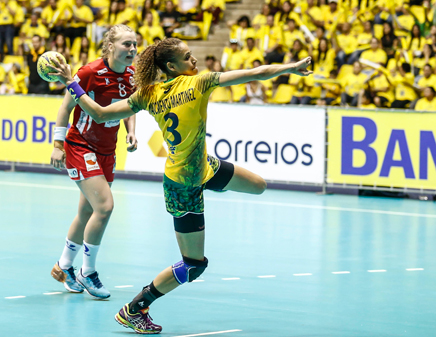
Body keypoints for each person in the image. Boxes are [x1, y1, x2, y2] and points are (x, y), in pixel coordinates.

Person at [49, 37, 312, 334]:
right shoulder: (197, 84)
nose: (194, 60)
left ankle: (207, 189)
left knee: (259, 185)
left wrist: (72, 84)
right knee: (194, 265)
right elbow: (255, 73)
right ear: (171, 66)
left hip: (205, 168)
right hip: (182, 187)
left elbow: (100, 112)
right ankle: (135, 309)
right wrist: (292, 68)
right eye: (188, 57)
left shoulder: (150, 93)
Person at [49, 24, 138, 299]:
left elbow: (130, 106)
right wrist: (56, 145)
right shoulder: (88, 72)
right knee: (105, 206)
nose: (132, 50)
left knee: (87, 212)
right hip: (80, 145)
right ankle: (88, 272)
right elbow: (66, 107)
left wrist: (131, 131)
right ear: (110, 47)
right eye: (126, 44)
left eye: (134, 44)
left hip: (107, 150)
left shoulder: (132, 75)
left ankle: (63, 267)